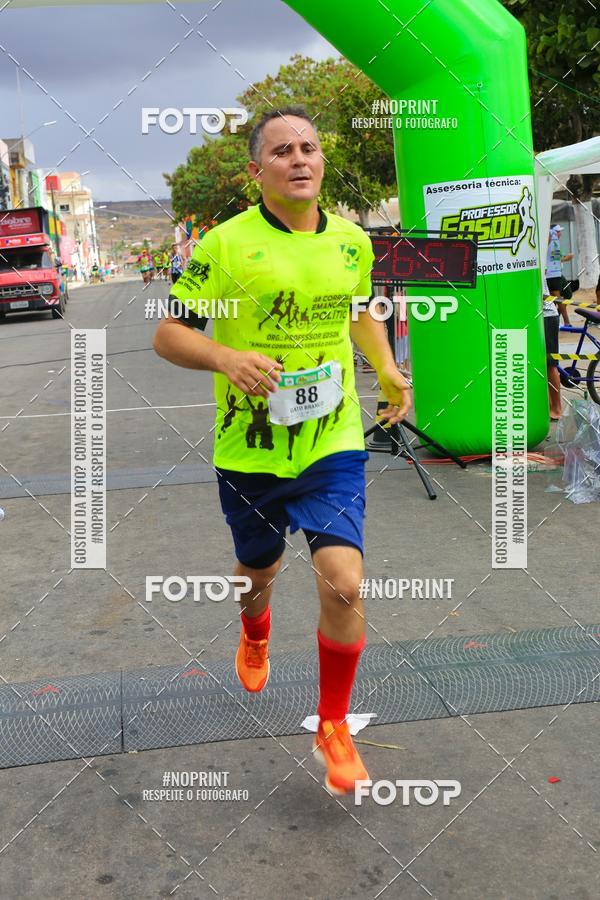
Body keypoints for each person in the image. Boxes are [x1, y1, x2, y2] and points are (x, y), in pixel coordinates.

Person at [153, 105, 411, 795]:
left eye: (310, 147)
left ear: (321, 160)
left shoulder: (352, 242)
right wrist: (225, 356)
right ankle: (255, 626)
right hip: (250, 451)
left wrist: (384, 368)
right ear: (256, 170)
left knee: (344, 578)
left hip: (332, 440)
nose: (300, 159)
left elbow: (359, 312)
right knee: (255, 573)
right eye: (282, 151)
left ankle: (332, 723)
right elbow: (170, 334)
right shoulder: (225, 245)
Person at [545, 224, 574, 326]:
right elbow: (554, 256)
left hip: (558, 273)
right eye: (558, 231)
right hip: (552, 274)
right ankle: (566, 322)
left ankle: (558, 319)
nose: (560, 233)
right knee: (557, 299)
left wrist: (566, 256)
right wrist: (567, 258)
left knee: (568, 294)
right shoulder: (549, 239)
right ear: (553, 232)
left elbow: (557, 255)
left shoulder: (555, 242)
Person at [542, 277, 562, 420]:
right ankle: (549, 406)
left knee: (550, 364)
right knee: (542, 364)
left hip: (546, 315)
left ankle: (556, 408)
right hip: (538, 315)